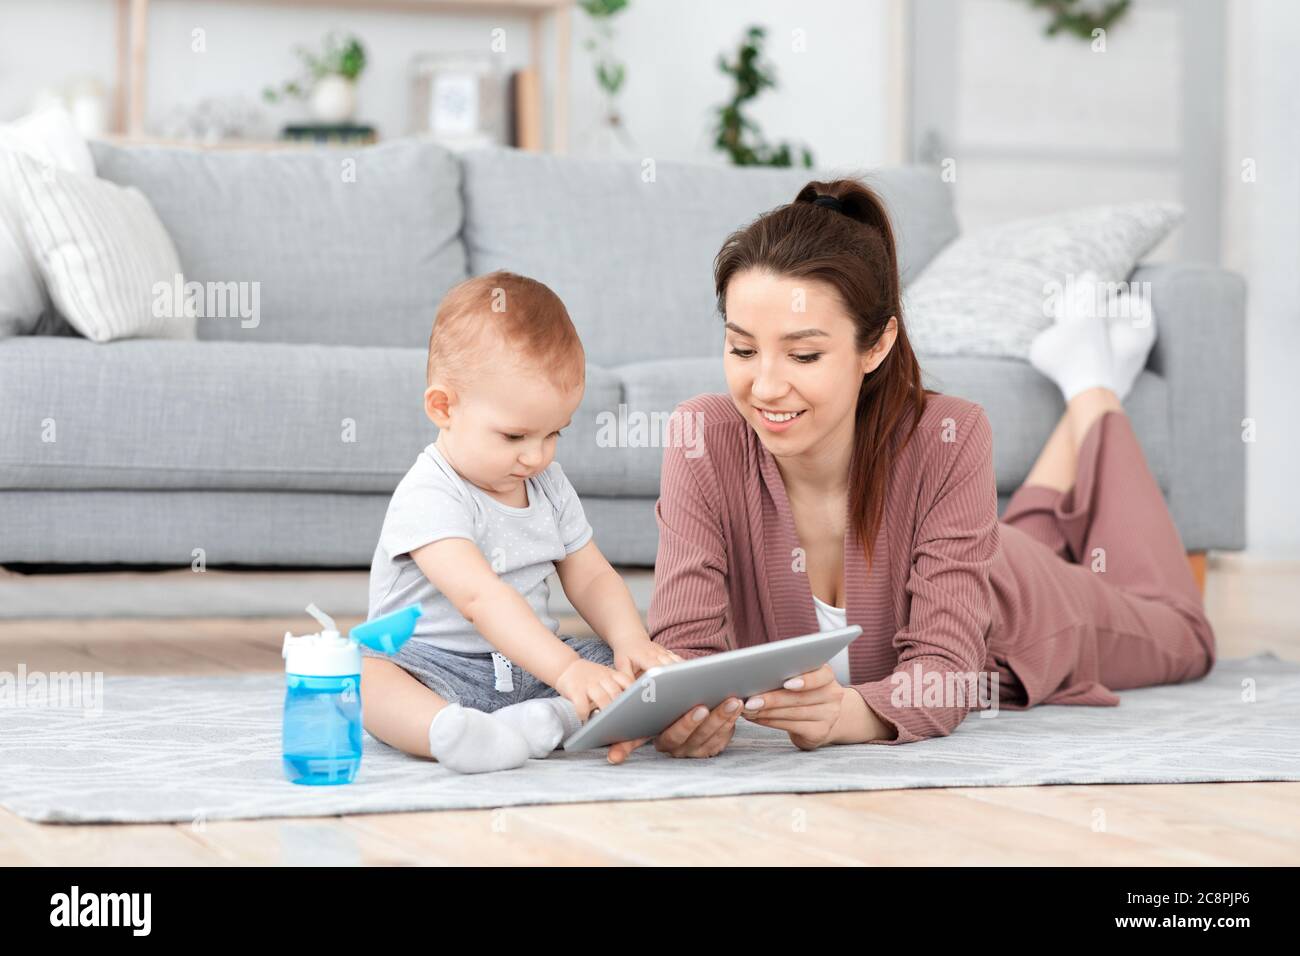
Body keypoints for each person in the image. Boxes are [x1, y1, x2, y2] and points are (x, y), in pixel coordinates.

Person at [606, 179, 1215, 764]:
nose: (764, 385)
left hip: (1022, 603)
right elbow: (685, 651)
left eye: (805, 354)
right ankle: (1086, 383)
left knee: (1186, 637)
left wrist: (844, 717)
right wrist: (684, 720)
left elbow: (947, 673)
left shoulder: (949, 435)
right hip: (974, 547)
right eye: (742, 349)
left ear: (877, 345)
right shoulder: (703, 437)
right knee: (1021, 531)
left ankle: (1094, 387)